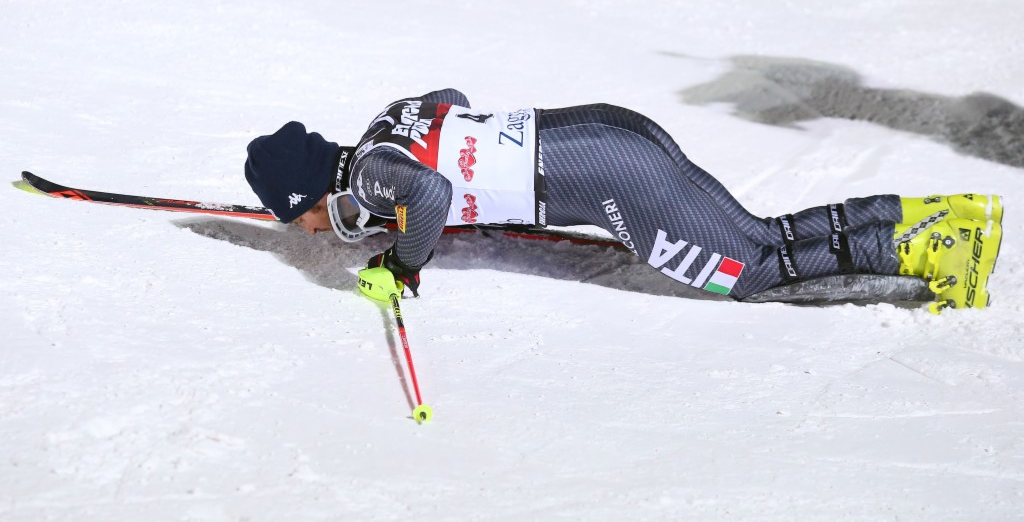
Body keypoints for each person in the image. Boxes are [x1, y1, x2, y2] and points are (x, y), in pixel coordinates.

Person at [243, 88, 1003, 310]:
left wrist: (403, 266)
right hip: (610, 133)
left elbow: (432, 194)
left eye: (300, 212)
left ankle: (938, 244)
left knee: (753, 267)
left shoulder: (375, 174)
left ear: (310, 190)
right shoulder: (386, 123)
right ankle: (948, 220)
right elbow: (450, 102)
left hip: (613, 184)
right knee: (758, 234)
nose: (310, 226)